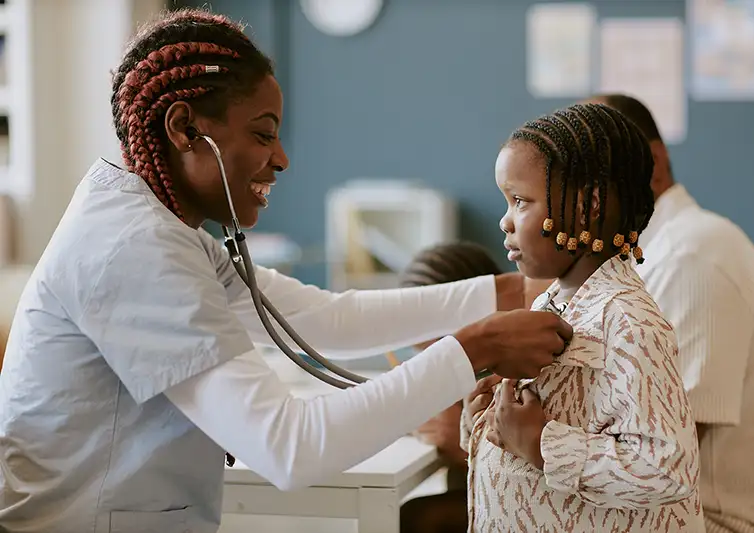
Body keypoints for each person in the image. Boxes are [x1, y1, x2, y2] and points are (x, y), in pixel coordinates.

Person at [0, 9, 574, 533]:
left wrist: (507, 292)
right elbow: (289, 449)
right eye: (262, 133)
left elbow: (325, 320)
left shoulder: (163, 233)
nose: (282, 158)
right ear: (182, 129)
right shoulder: (131, 251)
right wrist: (472, 350)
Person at [461, 103, 704, 532]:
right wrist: (487, 423)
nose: (504, 221)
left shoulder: (629, 322)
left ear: (588, 206)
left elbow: (667, 466)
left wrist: (540, 444)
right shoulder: (547, 307)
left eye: (519, 201)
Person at [585, 93, 754, 533]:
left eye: (594, 173)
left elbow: (665, 449)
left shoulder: (692, 254)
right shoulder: (647, 257)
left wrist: (529, 444)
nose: (577, 196)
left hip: (726, 522)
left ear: (654, 162)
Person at [397, 241, 548, 533]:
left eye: (439, 348)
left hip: (531, 502)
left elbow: (531, 461)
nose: (431, 362)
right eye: (421, 354)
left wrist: (463, 444)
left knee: (416, 519)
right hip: (502, 496)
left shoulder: (519, 367)